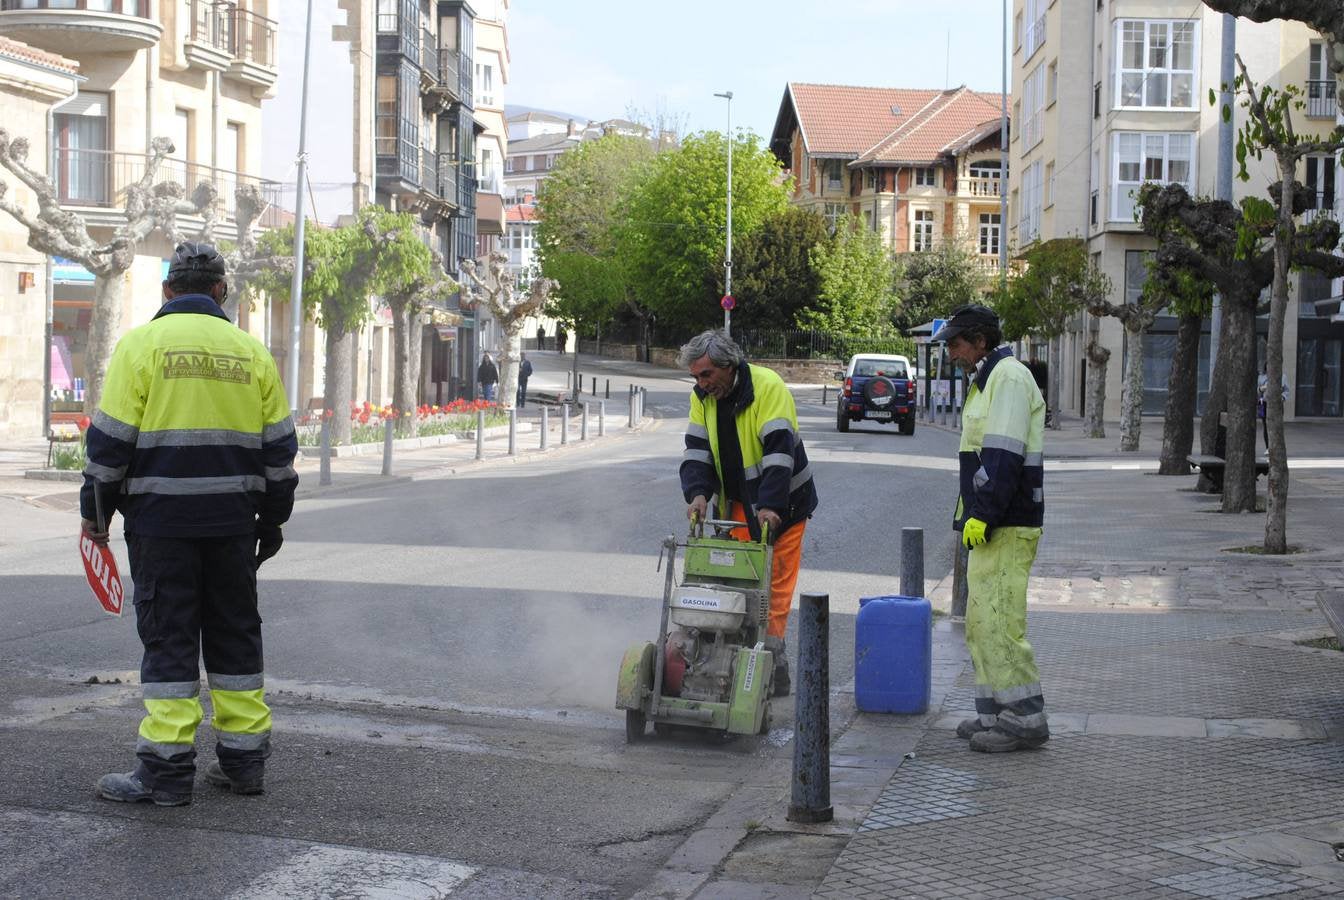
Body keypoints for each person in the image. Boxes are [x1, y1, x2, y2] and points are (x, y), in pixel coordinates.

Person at [81, 242, 298, 805]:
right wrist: (271, 523)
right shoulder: (250, 353)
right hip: (232, 526)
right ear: (222, 292)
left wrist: (94, 517)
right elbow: (279, 454)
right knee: (235, 639)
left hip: (161, 527)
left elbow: (108, 448)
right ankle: (245, 765)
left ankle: (166, 773)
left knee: (170, 639)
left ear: (168, 291)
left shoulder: (141, 346)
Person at [677, 329, 818, 696]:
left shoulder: (768, 387)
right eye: (696, 377)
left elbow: (778, 452)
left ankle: (773, 660)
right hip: (739, 506)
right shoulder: (703, 398)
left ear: (729, 365)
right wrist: (697, 495)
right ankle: (728, 659)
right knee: (734, 582)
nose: (702, 384)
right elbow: (697, 451)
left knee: (773, 588)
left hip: (783, 503)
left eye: (706, 375)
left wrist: (771, 506)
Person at [934, 304, 1049, 753]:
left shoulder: (1009, 379)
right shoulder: (987, 382)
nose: (952, 353)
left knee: (1000, 622)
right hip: (991, 522)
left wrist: (984, 513)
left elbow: (1003, 458)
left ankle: (1024, 719)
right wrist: (970, 516)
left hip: (1008, 521)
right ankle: (995, 713)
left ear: (980, 340)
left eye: (957, 344)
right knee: (981, 624)